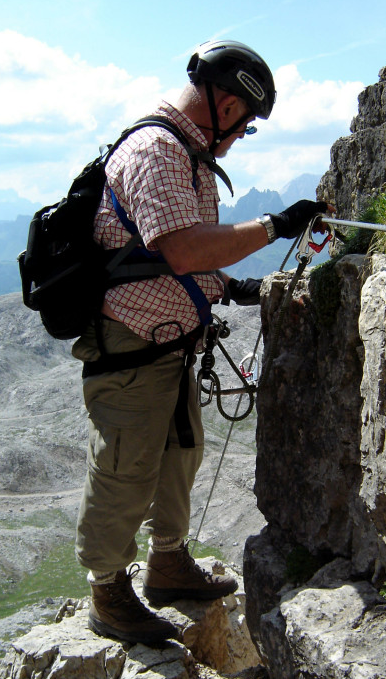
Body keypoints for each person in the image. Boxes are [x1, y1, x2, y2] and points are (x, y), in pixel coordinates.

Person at [72, 39, 333, 644]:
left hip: (164, 347)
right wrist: (274, 226)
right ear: (225, 101)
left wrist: (238, 288)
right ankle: (108, 591)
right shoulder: (160, 150)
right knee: (125, 467)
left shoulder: (185, 154)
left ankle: (167, 563)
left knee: (177, 454)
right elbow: (184, 248)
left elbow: (185, 258)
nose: (242, 137)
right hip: (131, 349)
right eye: (245, 124)